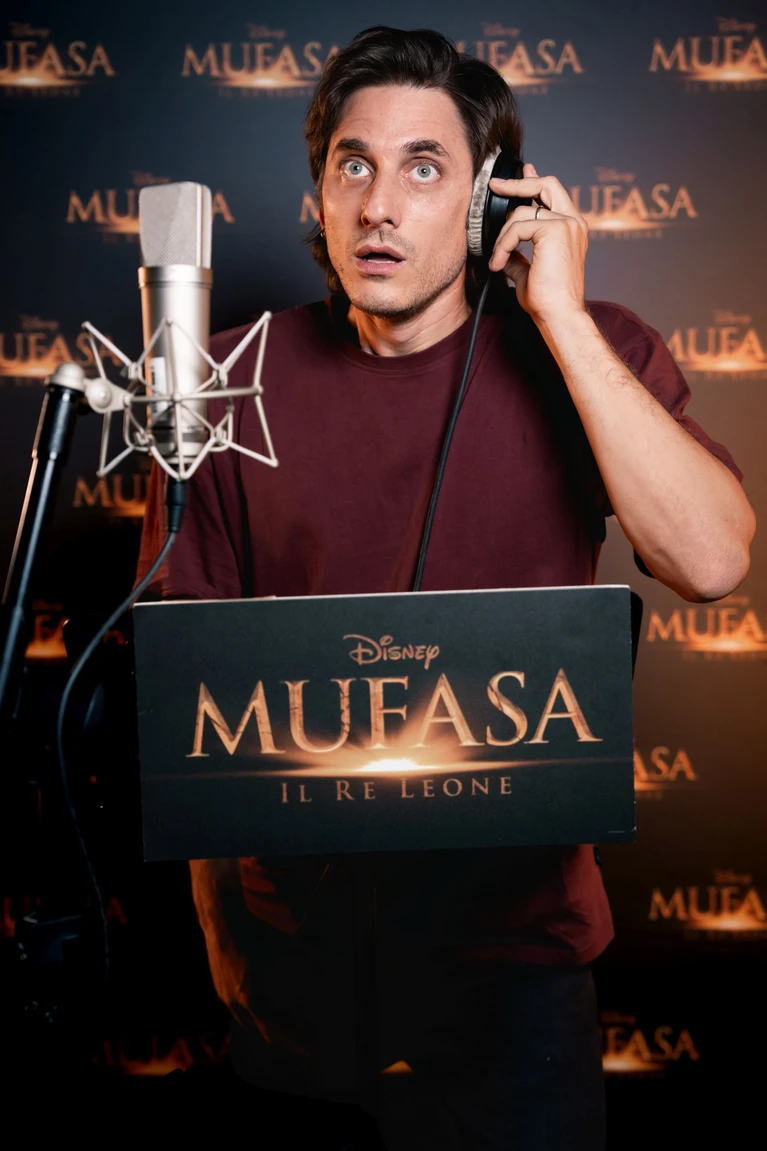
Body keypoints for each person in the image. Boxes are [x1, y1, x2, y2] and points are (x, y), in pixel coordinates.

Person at [137, 26, 754, 1151]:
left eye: (423, 168)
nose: (378, 206)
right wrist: (225, 938)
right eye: (353, 166)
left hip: (512, 979)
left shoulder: (591, 351)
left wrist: (559, 317)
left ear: (487, 203)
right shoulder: (219, 382)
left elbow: (710, 561)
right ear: (321, 192)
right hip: (296, 974)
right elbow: (185, 696)